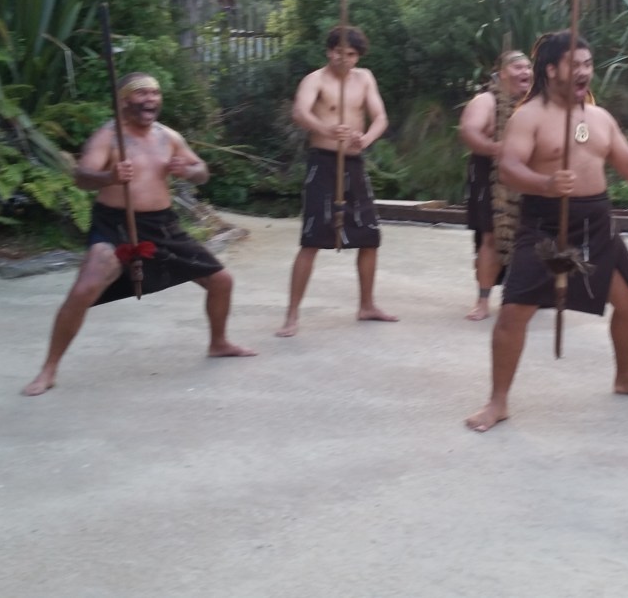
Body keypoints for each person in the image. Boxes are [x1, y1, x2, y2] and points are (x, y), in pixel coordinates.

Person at [465, 31, 628, 433]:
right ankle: (498, 401)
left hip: (596, 223)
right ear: (551, 70)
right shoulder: (528, 117)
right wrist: (545, 184)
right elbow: (510, 168)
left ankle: (626, 376)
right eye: (575, 65)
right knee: (513, 314)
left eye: (588, 64)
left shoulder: (599, 118)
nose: (585, 72)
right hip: (545, 225)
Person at [22, 73, 256, 396]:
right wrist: (110, 175)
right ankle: (48, 370)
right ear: (124, 100)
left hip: (163, 225)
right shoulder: (108, 136)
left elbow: (201, 171)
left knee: (221, 281)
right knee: (84, 288)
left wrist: (188, 171)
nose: (150, 99)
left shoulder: (168, 136)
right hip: (116, 224)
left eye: (155, 94)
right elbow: (81, 177)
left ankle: (218, 342)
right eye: (141, 93)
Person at [279, 24, 395, 336]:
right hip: (323, 162)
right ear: (329, 51)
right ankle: (291, 315)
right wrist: (327, 129)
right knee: (312, 239)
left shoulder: (365, 78)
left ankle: (367, 304)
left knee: (370, 236)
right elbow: (300, 113)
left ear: (358, 56)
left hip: (354, 163)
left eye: (351, 54)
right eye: (339, 52)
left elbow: (381, 117)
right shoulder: (314, 80)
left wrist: (366, 139)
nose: (344, 59)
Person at [457, 49, 533, 320]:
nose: (525, 72)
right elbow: (469, 131)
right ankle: (482, 302)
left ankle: (528, 294)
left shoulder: (534, 103)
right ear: (501, 74)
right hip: (490, 174)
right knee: (490, 236)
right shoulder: (485, 101)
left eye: (527, 67)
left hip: (526, 177)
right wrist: (497, 149)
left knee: (530, 237)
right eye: (517, 67)